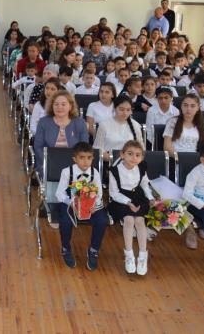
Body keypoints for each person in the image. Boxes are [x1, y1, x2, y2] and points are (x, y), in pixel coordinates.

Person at [55, 142, 106, 270]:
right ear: (75, 159)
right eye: (82, 158)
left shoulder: (95, 172)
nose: (85, 161)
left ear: (93, 158)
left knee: (102, 220)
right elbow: (59, 193)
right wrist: (71, 203)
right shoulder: (67, 172)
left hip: (90, 205)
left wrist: (94, 205)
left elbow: (99, 193)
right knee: (65, 221)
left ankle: (94, 249)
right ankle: (66, 248)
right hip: (71, 203)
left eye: (89, 158)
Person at [107, 140, 155, 275]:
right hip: (121, 199)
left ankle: (142, 256)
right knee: (129, 220)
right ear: (122, 155)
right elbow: (113, 193)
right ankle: (129, 255)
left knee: (140, 221)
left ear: (142, 157)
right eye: (130, 154)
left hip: (138, 197)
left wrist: (150, 198)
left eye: (138, 155)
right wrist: (128, 202)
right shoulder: (114, 171)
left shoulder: (141, 168)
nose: (134, 158)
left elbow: (144, 184)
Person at [33, 91, 89, 176]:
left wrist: (75, 165)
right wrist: (48, 163)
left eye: (63, 104)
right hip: (48, 164)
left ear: (70, 106)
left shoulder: (80, 123)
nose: (59, 107)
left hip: (74, 164)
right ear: (52, 106)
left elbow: (84, 148)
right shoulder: (43, 122)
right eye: (56, 104)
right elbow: (38, 147)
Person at [93, 95, 144, 159]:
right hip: (109, 161)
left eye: (128, 110)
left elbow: (142, 149)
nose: (125, 113)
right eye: (121, 109)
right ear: (114, 109)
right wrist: (113, 159)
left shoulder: (136, 125)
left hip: (131, 161)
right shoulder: (104, 125)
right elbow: (97, 149)